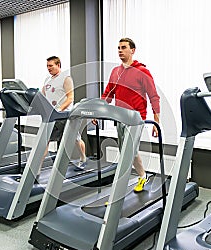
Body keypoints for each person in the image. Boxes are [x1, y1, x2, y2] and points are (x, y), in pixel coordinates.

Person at [100, 37, 160, 193]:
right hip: (119, 118)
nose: (120, 50)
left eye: (123, 47)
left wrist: (156, 121)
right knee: (127, 152)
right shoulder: (115, 72)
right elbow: (108, 94)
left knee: (129, 152)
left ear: (132, 50)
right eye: (118, 47)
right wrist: (98, 111)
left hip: (136, 119)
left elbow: (154, 96)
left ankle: (118, 191)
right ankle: (142, 176)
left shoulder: (142, 71)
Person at [41, 56, 87, 171]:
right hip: (51, 116)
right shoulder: (47, 80)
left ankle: (83, 158)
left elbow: (70, 98)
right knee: (45, 140)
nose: (48, 68)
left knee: (76, 139)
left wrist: (59, 110)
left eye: (51, 66)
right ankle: (37, 168)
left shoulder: (66, 78)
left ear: (58, 65)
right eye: (47, 66)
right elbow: (42, 96)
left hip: (64, 115)